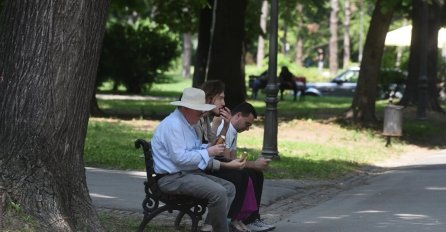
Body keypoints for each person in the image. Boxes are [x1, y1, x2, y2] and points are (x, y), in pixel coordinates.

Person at [151, 87, 246, 232]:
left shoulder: (188, 123)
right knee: (219, 192)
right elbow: (180, 158)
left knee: (229, 188)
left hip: (186, 174)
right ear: (186, 108)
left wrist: (209, 148)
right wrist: (208, 151)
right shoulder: (173, 125)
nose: (202, 114)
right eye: (198, 110)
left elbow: (193, 150)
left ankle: (210, 227)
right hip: (172, 178)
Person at [195, 80, 253, 232]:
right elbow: (210, 148)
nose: (224, 103)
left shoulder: (205, 118)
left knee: (240, 175)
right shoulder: (198, 119)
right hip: (196, 166)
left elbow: (213, 143)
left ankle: (229, 219)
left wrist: (226, 126)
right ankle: (217, 223)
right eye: (220, 98)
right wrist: (227, 163)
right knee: (235, 177)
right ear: (209, 98)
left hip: (203, 162)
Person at [216, 102, 275, 232]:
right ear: (238, 116)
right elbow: (227, 159)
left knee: (256, 174)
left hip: (222, 164)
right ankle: (234, 218)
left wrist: (252, 165)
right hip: (214, 166)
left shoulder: (233, 130)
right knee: (243, 175)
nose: (247, 129)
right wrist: (253, 164)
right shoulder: (224, 127)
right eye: (247, 124)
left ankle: (251, 219)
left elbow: (233, 158)